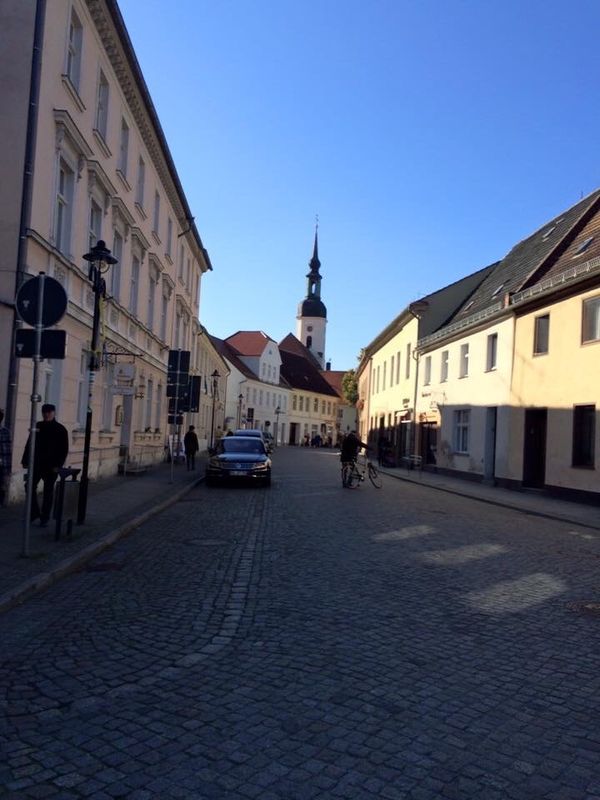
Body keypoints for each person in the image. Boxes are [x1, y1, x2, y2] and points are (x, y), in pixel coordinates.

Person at [21, 404, 69, 526]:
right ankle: (34, 513)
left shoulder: (60, 429)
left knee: (48, 491)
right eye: (44, 412)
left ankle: (45, 517)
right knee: (29, 487)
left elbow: (63, 450)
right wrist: (26, 460)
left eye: (49, 412)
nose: (47, 414)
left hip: (51, 466)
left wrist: (58, 465)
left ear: (54, 413)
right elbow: (30, 443)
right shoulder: (38, 426)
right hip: (37, 464)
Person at [0, 409, 12, 507]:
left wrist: (7, 472)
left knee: (1, 487)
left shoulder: (5, 432)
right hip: (3, 465)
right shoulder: (5, 432)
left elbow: (6, 453)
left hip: (1, 465)